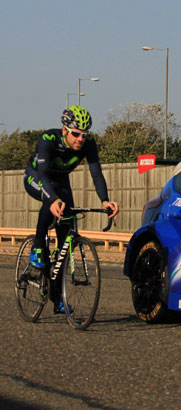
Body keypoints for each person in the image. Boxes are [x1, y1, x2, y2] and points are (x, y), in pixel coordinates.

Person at [23, 105, 119, 313]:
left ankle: (57, 296)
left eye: (84, 135)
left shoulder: (88, 144)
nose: (80, 139)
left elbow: (96, 174)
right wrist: (53, 199)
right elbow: (43, 175)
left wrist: (105, 200)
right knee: (52, 203)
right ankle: (38, 246)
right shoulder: (48, 140)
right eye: (76, 134)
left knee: (66, 237)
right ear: (65, 130)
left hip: (61, 181)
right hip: (38, 177)